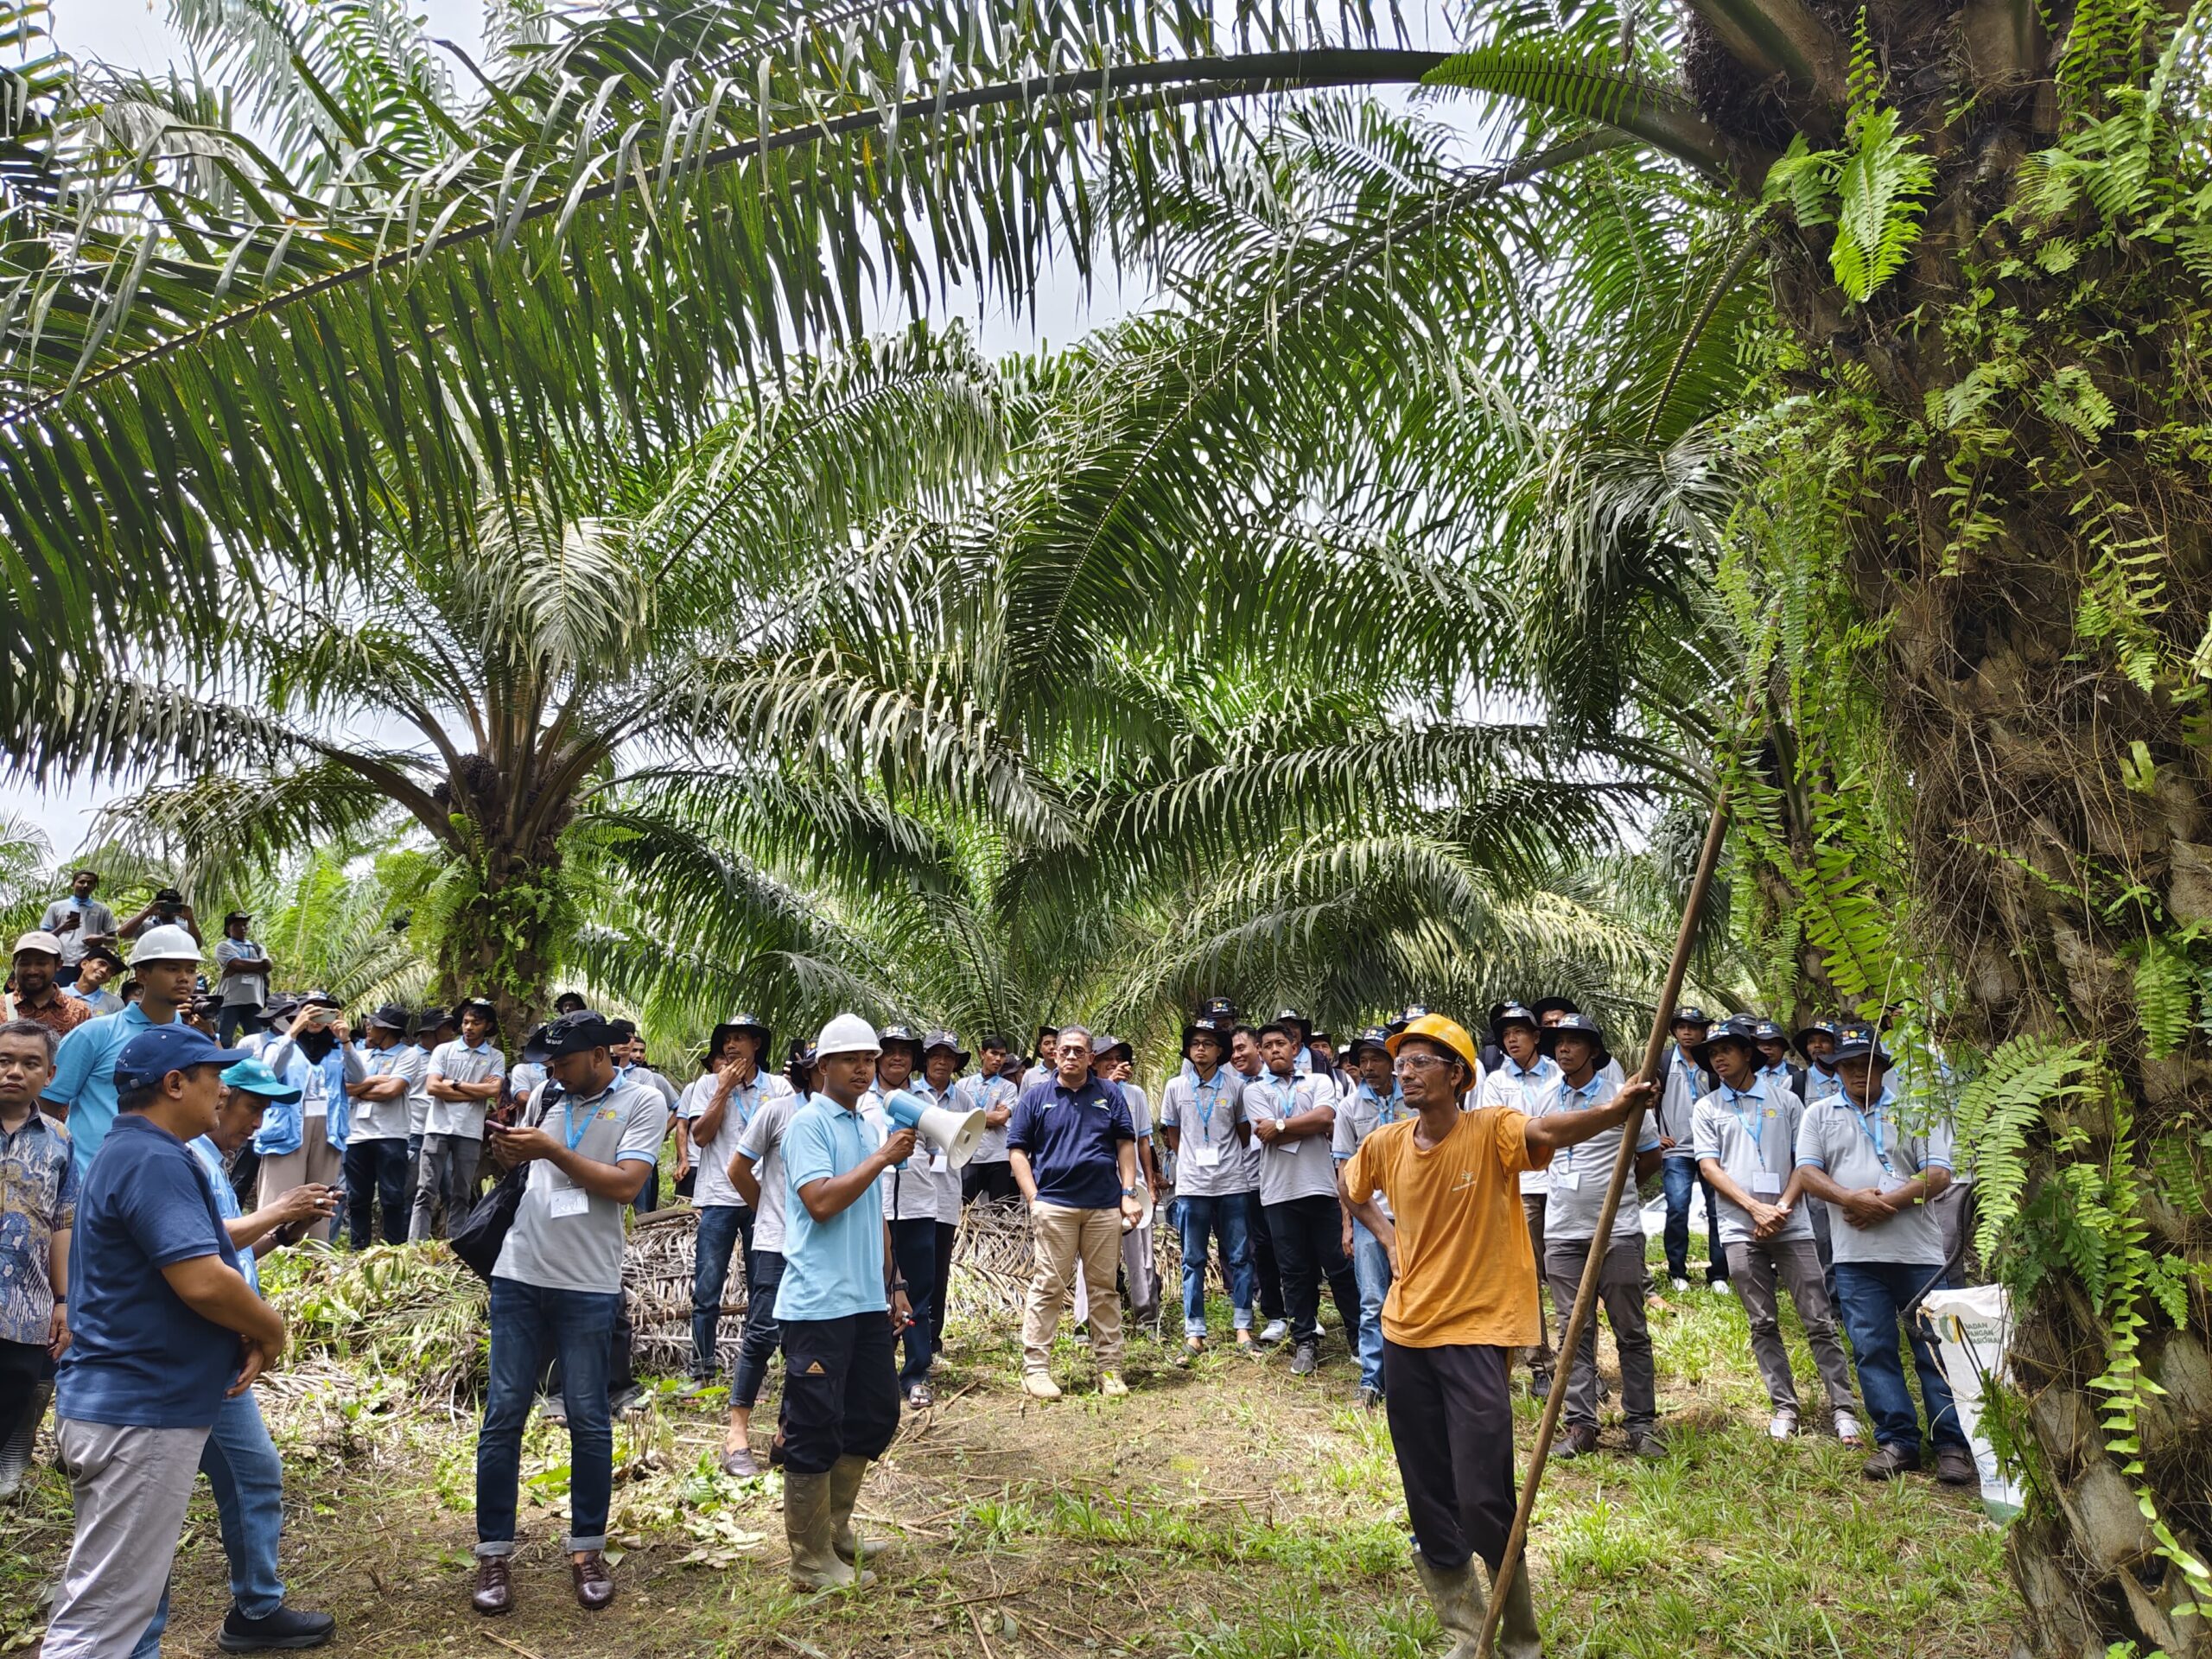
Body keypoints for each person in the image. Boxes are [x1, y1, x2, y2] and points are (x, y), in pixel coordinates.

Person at [1339, 1013, 1659, 1659]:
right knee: (1426, 1489)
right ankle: (1464, 1631)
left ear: (1458, 1075)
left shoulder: (1492, 1130)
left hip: (1476, 1332)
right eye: (1401, 1063)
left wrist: (1611, 1111)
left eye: (1421, 1062)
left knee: (1484, 1490)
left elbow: (1548, 1130)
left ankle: (1518, 1639)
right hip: (1405, 1334)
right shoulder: (1387, 1141)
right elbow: (1350, 1188)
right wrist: (1385, 1235)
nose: (1404, 1072)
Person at [41, 1025, 289, 1659]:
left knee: (115, 1604)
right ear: (174, 1084)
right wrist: (270, 1327)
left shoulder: (131, 1152)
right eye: (214, 1076)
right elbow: (203, 1280)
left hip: (126, 1402)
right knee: (104, 1619)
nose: (222, 1089)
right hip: (140, 1411)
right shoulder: (152, 1158)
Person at [470, 1010, 664, 1615]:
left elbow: (627, 1184)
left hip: (587, 1282)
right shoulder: (549, 1098)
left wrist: (551, 1148)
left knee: (588, 1414)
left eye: (563, 1061)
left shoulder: (642, 1101)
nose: (552, 1070)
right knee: (503, 1413)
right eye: (549, 1062)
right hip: (520, 1273)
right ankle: (493, 1553)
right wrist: (507, 1150)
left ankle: (586, 1549)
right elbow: (528, 1178)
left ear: (600, 1054)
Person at [184, 1058, 340, 1652]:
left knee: (252, 1474)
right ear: (215, 1098)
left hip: (218, 1346)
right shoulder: (186, 1157)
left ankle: (255, 1608)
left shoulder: (213, 1163)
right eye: (252, 1107)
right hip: (195, 1352)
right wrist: (277, 1209)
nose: (259, 1121)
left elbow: (231, 1252)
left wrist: (282, 1232)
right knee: (236, 1476)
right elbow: (198, 1249)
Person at [1789, 1025, 1974, 1484]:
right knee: (1873, 1349)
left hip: (1920, 1253)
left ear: (1882, 1068)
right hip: (1855, 1256)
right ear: (1836, 1069)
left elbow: (1938, 1175)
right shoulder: (1819, 1113)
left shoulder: (1914, 1111)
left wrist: (1882, 1205)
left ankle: (1951, 1445)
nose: (1857, 1072)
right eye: (1848, 1064)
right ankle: (1898, 1441)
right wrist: (1851, 1200)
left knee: (1934, 1349)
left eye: (1866, 1063)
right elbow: (1807, 1172)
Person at [774, 1014, 913, 1589]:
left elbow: (870, 1212)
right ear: (822, 1066)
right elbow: (822, 1203)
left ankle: (836, 1532)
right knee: (813, 1426)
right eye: (850, 1059)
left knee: (874, 1413)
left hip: (861, 1301)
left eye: (869, 1059)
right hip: (816, 1305)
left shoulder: (863, 1123)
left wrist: (893, 1284)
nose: (863, 1067)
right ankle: (809, 1561)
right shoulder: (809, 1124)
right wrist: (881, 1159)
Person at [1688, 1017, 1860, 1446]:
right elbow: (1709, 1167)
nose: (1719, 1058)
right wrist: (1752, 1208)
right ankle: (1784, 1406)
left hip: (1792, 1224)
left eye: (1727, 1049)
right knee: (1762, 1321)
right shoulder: (1707, 1108)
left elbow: (1805, 1161)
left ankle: (1843, 1409)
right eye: (1712, 1053)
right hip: (1738, 1228)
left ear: (1749, 1053)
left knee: (1819, 1319)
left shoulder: (1785, 1101)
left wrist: (1780, 1208)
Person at [1534, 1014, 1666, 1460]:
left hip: (1617, 1231)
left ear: (1594, 1050)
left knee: (1630, 1329)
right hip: (1563, 1232)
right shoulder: (1546, 1098)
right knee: (1574, 1331)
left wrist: (1620, 1188)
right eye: (1558, 1043)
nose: (1564, 1049)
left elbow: (1648, 1158)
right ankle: (1581, 1424)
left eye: (1574, 1042)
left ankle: (1641, 1424)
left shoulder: (1621, 1098)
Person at [1007, 1025, 1144, 1399]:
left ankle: (1110, 1370)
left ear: (1090, 1058)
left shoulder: (1109, 1093)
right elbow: (1017, 1150)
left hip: (1103, 1206)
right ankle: (1036, 1370)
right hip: (1055, 1206)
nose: (1070, 1056)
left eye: (1078, 1051)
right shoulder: (1035, 1097)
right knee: (1048, 1286)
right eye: (1064, 1050)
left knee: (1104, 1289)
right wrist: (1034, 1197)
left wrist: (1128, 1193)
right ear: (1053, 1055)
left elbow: (1125, 1144)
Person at [677, 1014, 791, 1400]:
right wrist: (722, 1091)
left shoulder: (779, 1087)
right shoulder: (705, 1085)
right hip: (718, 1199)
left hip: (765, 1199)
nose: (731, 1045)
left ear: (756, 1044)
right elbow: (701, 1136)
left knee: (762, 1289)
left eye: (740, 1038)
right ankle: (700, 1371)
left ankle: (753, 1375)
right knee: (706, 1288)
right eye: (726, 1039)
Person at [1249, 1020, 1362, 1376]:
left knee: (1340, 1266)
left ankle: (1359, 1338)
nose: (1275, 1050)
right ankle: (1304, 1341)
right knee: (1293, 1271)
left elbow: (1327, 1117)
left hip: (1321, 1187)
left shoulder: (1319, 1081)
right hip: (1279, 1193)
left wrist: (1281, 1125)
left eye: (1281, 1043)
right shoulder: (1253, 1090)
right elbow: (1263, 1134)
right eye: (1267, 1046)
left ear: (1295, 1048)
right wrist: (1305, 1123)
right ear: (1261, 1052)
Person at [42, 924, 198, 1176]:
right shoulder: (96, 1034)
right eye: (172, 968)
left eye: (191, 970)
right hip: (90, 1181)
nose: (184, 978)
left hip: (160, 1180)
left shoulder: (191, 1042)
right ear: (142, 975)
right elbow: (47, 1103)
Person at [722, 1053, 805, 1476]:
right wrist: (767, 1210)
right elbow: (737, 1167)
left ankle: (786, 1432)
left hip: (819, 1249)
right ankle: (736, 1434)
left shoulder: (852, 1116)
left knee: (804, 1340)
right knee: (762, 1333)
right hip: (775, 1244)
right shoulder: (778, 1110)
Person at [1160, 1013, 1257, 1363]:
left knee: (1240, 1256)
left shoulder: (1236, 1087)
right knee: (1192, 1258)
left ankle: (1243, 1327)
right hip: (1192, 1185)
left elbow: (1243, 1133)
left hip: (1231, 1181)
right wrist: (1191, 1158)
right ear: (1188, 1051)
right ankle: (1194, 1332)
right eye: (1195, 1044)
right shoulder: (1175, 1087)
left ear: (1221, 1051)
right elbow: (1172, 1135)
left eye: (1208, 1044)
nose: (1200, 1049)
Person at [0, 1020, 70, 1500]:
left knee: (13, 1402)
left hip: (26, 1310)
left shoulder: (59, 1139)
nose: (14, 1072)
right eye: (4, 1060)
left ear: (49, 1074)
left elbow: (61, 1222)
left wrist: (63, 1300)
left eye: (30, 1063)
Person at [1480, 1004, 1562, 1395]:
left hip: (1563, 1185)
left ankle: (1580, 1365)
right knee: (1528, 1277)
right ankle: (1541, 1364)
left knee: (1565, 1277)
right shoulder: (1496, 1081)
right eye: (1506, 1034)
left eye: (1519, 1032)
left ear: (1536, 1037)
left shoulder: (1560, 1074)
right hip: (1523, 1188)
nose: (1512, 1039)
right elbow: (1499, 1132)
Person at [861, 1025, 943, 1406]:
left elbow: (945, 1146)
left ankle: (915, 1374)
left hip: (918, 1206)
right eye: (889, 1050)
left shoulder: (927, 1098)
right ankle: (875, 1373)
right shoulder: (860, 1098)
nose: (897, 1058)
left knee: (918, 1294)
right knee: (875, 1293)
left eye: (905, 1052)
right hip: (873, 1208)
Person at [256, 995, 362, 1244]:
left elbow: (358, 1077)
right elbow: (269, 1073)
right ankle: (268, 1255)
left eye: (324, 1014)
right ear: (299, 1014)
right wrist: (293, 1032)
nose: (317, 1020)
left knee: (321, 1200)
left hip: (329, 1129)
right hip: (288, 1129)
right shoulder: (279, 1044)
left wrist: (346, 1041)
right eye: (311, 1013)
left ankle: (316, 1259)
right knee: (280, 1197)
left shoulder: (337, 1050)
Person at [1332, 1027, 1401, 1407]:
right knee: (1372, 1299)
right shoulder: (1349, 1108)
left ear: (1394, 1061)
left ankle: (1413, 1376)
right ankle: (1372, 1379)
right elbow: (1343, 1170)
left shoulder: (1416, 1098)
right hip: (1368, 1215)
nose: (1369, 1066)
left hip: (1414, 1214)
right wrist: (1347, 1225)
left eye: (1377, 1058)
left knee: (1416, 1294)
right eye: (1363, 1060)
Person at [414, 1000, 505, 1242]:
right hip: (437, 1128)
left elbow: (493, 1092)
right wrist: (475, 1089)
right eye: (465, 1022)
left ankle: (454, 1246)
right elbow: (433, 1087)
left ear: (488, 1026)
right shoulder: (444, 1051)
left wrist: (453, 1084)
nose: (469, 1027)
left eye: (476, 1023)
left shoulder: (495, 1057)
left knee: (461, 1193)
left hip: (470, 1131)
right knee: (426, 1189)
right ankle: (416, 1245)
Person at [1090, 1035, 1163, 1334]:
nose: (1113, 1063)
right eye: (1106, 1057)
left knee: (1142, 1253)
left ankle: (1146, 1316)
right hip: (1097, 1181)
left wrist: (1152, 1182)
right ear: (1093, 1062)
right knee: (1094, 1252)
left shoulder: (1135, 1095)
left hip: (1135, 1184)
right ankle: (1090, 1322)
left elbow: (1143, 1140)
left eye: (1118, 1057)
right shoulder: (1085, 1092)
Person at [1654, 1005, 1727, 1294]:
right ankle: (1677, 1271)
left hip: (1712, 1149)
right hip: (1676, 1150)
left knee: (1717, 1209)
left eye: (1694, 1027)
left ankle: (1719, 1273)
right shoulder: (1662, 1060)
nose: (1687, 1032)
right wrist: (1654, 1134)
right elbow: (1646, 1098)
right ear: (1673, 1031)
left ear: (1703, 1031)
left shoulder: (1714, 1062)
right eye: (1682, 1027)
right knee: (1677, 1207)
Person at [1228, 1022, 1290, 1344]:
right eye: (1233, 1050)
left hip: (1281, 1177)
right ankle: (1274, 1313)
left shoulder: (1276, 1083)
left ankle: (1299, 1310)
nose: (1237, 1055)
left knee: (1291, 1246)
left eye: (1242, 1048)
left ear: (1259, 1050)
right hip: (1248, 1180)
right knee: (1262, 1248)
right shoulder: (1230, 1085)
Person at [912, 1030, 970, 1369]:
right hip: (911, 1196)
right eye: (936, 1056)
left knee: (938, 1271)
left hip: (946, 1193)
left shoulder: (963, 1100)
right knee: (905, 1269)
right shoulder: (910, 1093)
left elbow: (968, 1141)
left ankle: (933, 1340)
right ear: (927, 1059)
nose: (942, 1062)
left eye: (949, 1057)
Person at [346, 1006, 423, 1248]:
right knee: (357, 1197)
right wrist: (373, 1081)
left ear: (388, 1030)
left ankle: (394, 1249)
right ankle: (358, 1249)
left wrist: (361, 1090)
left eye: (375, 1024)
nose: (369, 1027)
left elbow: (392, 1091)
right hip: (357, 1135)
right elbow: (344, 1088)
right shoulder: (363, 1056)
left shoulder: (409, 1055)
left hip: (391, 1134)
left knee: (392, 1196)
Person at [958, 1033, 1020, 1203]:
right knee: (965, 1203)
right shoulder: (963, 1084)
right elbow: (956, 1118)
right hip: (970, 1152)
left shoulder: (1008, 1087)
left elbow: (1001, 1119)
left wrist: (970, 1119)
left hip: (998, 1154)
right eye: (994, 1053)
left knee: (998, 1206)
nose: (998, 1059)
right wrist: (991, 1117)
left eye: (1002, 1055)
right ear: (982, 1053)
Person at [7, 930, 90, 1040]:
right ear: (14, 966)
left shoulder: (79, 1012)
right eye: (24, 963)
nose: (32, 971)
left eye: (41, 963)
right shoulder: (2, 1007)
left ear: (58, 965)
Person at [39, 871, 118, 988]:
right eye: (81, 882)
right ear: (73, 884)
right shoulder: (56, 907)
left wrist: (100, 938)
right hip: (61, 963)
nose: (85, 885)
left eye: (90, 883)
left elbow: (114, 940)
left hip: (89, 965)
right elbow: (43, 938)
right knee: (58, 998)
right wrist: (62, 928)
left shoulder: (103, 910)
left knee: (84, 1001)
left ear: (94, 887)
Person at [211, 912, 273, 1046]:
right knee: (225, 1038)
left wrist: (241, 966)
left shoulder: (257, 948)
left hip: (254, 1000)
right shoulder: (224, 946)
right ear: (228, 929)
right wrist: (258, 965)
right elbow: (236, 964)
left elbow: (268, 965)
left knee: (255, 1039)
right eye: (237, 925)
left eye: (245, 925)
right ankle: (221, 1065)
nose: (242, 928)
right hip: (230, 1000)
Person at [66, 946, 127, 1016]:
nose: (104, 970)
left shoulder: (115, 1004)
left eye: (110, 971)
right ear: (84, 964)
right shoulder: (57, 994)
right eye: (101, 964)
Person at [1022, 1025, 1058, 1089]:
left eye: (1055, 1043)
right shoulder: (1030, 1075)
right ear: (1040, 1048)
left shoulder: (1067, 1072)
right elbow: (1023, 1098)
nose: (1052, 1047)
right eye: (1047, 1043)